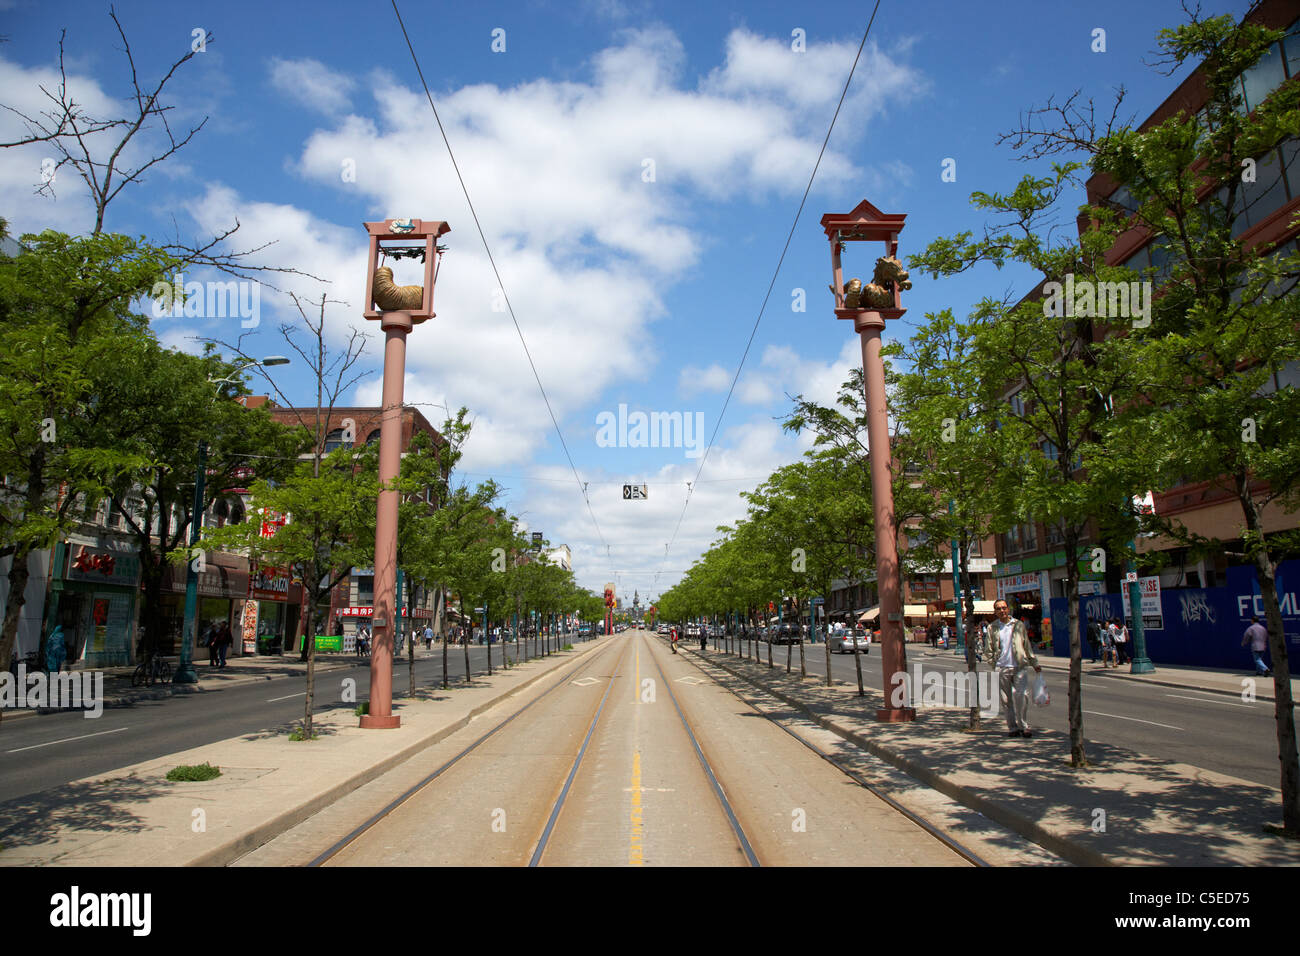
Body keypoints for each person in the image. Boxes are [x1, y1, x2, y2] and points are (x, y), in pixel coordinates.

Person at [986, 599, 1042, 738]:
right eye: (998, 609)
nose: (1002, 611)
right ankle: (1012, 727)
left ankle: (1024, 725)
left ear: (1008, 609)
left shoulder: (1018, 625)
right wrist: (993, 662)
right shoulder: (992, 627)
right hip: (1002, 667)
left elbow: (1026, 645)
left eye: (1004, 608)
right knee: (1006, 700)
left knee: (1022, 696)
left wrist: (1034, 662)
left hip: (1019, 666)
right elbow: (988, 648)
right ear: (995, 611)